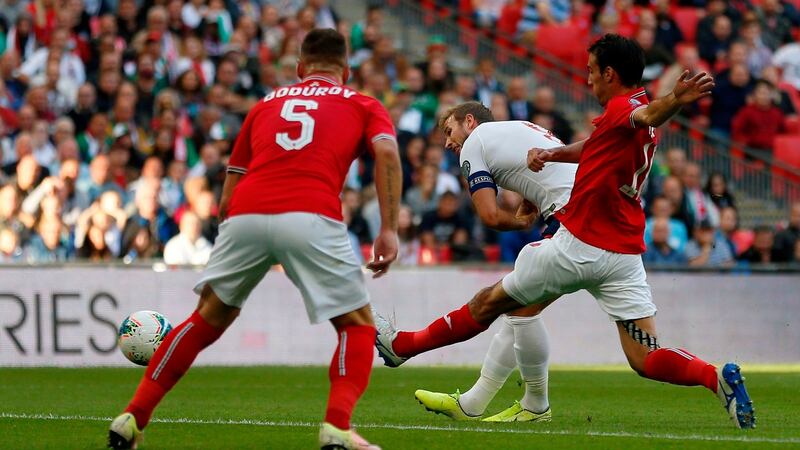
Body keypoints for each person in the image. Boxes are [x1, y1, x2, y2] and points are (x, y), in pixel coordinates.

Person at [375, 34, 754, 430]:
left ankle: (405, 346)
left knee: (492, 303)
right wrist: (554, 153)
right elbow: (601, 144)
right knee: (644, 357)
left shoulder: (625, 108)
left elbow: (648, 115)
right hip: (623, 254)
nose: (588, 80)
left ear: (610, 73)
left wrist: (674, 100)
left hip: (579, 241)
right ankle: (716, 378)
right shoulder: (615, 115)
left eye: (592, 72)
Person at [107, 29, 402, 450]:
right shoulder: (363, 103)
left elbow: (231, 183)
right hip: (310, 211)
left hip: (246, 211)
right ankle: (337, 427)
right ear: (347, 70)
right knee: (356, 326)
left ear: (300, 68)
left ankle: (131, 418)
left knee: (203, 320)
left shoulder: (265, 103)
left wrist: (246, 236)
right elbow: (387, 155)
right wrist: (388, 228)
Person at [411, 101, 576, 422]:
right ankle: (478, 404)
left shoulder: (477, 140)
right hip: (581, 210)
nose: (447, 142)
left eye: (449, 131)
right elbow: (546, 168)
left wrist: (519, 222)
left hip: (575, 216)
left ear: (469, 121)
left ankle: (532, 406)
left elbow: (489, 215)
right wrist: (532, 199)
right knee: (520, 308)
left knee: (517, 307)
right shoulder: (518, 129)